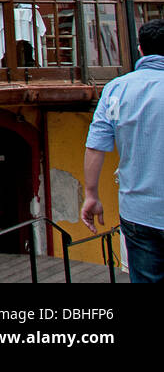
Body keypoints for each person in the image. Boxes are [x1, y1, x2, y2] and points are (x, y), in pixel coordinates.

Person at [81, 19, 164, 283]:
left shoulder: (116, 90)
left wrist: (91, 194)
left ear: (140, 50)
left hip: (139, 212)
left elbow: (96, 145)